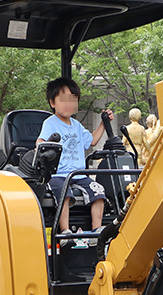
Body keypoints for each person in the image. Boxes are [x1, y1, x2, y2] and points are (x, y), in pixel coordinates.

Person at [36, 77, 110, 237]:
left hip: (78, 174)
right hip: (58, 175)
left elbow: (92, 141)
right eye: (64, 100)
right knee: (65, 193)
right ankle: (66, 230)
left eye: (73, 99)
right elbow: (40, 142)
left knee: (98, 190)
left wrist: (103, 124)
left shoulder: (77, 126)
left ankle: (96, 231)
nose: (68, 104)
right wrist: (43, 147)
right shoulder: (50, 123)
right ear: (52, 103)